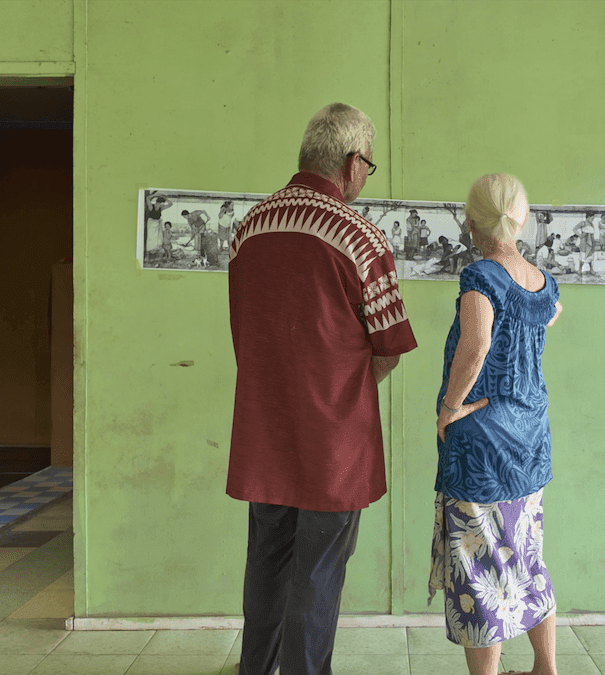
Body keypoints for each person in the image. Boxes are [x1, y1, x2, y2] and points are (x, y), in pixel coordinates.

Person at [227, 103, 417, 675]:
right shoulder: (359, 237)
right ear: (354, 163)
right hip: (335, 443)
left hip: (265, 429)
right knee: (318, 571)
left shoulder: (248, 228)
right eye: (370, 166)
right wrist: (342, 389)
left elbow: (246, 331)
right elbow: (389, 347)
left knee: (266, 562)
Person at [431, 173, 562, 675]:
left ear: (471, 222)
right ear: (521, 218)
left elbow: (477, 344)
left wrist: (450, 404)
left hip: (483, 447)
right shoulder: (541, 282)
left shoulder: (481, 277)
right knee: (526, 558)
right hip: (530, 441)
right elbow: (550, 312)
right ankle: (544, 668)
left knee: (478, 566)